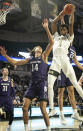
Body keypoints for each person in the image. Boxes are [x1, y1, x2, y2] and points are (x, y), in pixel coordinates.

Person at [0, 19, 54, 131]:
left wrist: (47, 28)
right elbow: (15, 62)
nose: (38, 52)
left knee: (42, 108)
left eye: (40, 50)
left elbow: (52, 42)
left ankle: (48, 129)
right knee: (24, 108)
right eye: (37, 51)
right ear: (34, 51)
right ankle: (26, 129)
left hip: (42, 84)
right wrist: (5, 55)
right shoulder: (30, 59)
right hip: (32, 85)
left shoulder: (44, 56)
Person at [48, 4, 83, 119]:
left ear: (67, 31)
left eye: (64, 28)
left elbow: (71, 24)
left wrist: (71, 13)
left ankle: (75, 112)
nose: (62, 29)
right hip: (55, 62)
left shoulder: (69, 38)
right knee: (51, 85)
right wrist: (62, 13)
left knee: (74, 85)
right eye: (61, 28)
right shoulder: (56, 36)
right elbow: (53, 23)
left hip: (65, 62)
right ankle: (53, 110)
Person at [56, 45, 83, 124]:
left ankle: (75, 113)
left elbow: (76, 62)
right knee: (61, 92)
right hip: (61, 69)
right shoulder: (60, 44)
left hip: (69, 70)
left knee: (71, 92)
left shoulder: (73, 48)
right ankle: (61, 115)